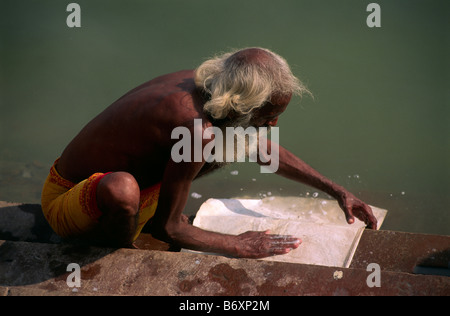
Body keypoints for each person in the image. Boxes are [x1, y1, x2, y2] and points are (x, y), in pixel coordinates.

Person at [41, 47, 377, 258]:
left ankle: (145, 211)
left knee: (236, 141)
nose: (273, 124)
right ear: (241, 103)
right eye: (268, 115)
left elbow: (260, 148)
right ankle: (116, 247)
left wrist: (338, 191)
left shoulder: (208, 85)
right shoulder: (196, 128)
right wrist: (238, 244)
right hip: (70, 200)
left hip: (144, 188)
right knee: (123, 190)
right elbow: (169, 230)